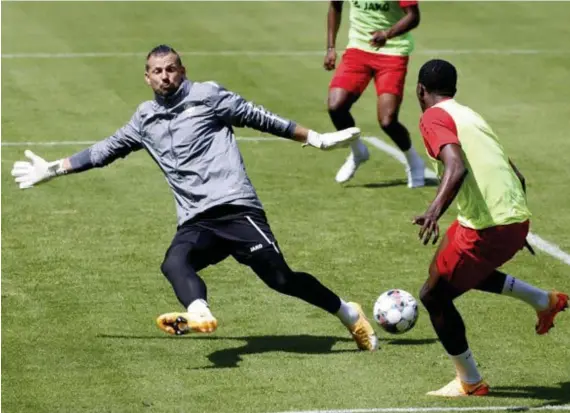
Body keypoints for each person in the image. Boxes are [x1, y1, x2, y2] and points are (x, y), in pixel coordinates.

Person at [10, 44, 378, 351]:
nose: (165, 76)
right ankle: (200, 312)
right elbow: (105, 150)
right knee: (174, 262)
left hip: (236, 208)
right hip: (196, 219)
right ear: (147, 77)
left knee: (280, 279)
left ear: (182, 71)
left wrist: (314, 138)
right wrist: (53, 169)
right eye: (157, 71)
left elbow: (258, 117)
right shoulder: (145, 119)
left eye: (171, 69)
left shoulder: (208, 95)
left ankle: (347, 312)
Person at [412, 59, 568, 397]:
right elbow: (515, 172)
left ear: (420, 90)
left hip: (487, 225)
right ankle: (545, 301)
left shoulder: (433, 117)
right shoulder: (470, 115)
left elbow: (455, 168)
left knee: (434, 296)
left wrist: (433, 211)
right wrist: (514, 223)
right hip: (508, 217)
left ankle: (470, 381)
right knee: (448, 271)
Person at [324, 0, 425, 186]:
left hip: (393, 51)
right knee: (336, 106)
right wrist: (331, 48)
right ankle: (357, 151)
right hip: (358, 50)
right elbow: (335, 5)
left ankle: (414, 161)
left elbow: (413, 16)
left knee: (387, 121)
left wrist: (388, 34)